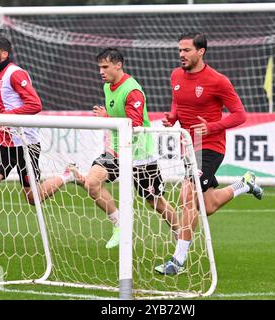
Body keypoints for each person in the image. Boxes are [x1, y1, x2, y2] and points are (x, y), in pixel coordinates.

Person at [155, 32, 264, 275]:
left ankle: (178, 260)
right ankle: (245, 184)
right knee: (208, 205)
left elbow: (240, 115)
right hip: (189, 147)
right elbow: (177, 103)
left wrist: (211, 127)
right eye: (180, 50)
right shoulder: (175, 75)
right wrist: (173, 117)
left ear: (201, 51)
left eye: (186, 50)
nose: (181, 54)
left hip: (210, 146)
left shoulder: (218, 81)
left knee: (187, 196)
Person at [0, 36, 74, 253]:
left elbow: (35, 104)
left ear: (4, 54)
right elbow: (4, 115)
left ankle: (67, 175)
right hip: (3, 143)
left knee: (33, 198)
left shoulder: (15, 73)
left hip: (25, 144)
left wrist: (2, 117)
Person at [67, 47, 179, 249]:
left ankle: (181, 235)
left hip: (140, 155)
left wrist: (107, 119)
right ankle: (120, 225)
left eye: (105, 67)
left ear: (118, 65)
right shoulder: (107, 87)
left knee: (155, 202)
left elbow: (134, 125)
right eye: (99, 67)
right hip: (118, 150)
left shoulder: (132, 90)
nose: (101, 71)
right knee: (92, 184)